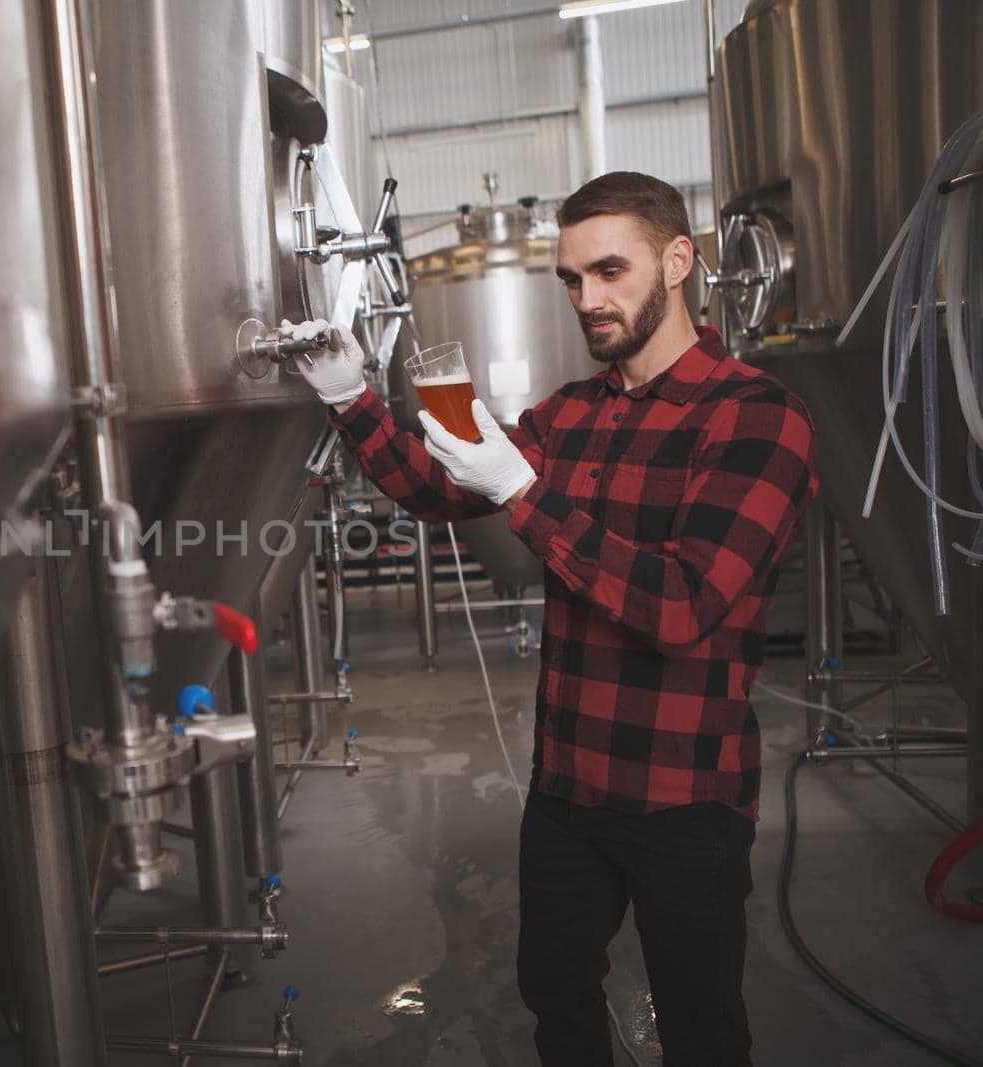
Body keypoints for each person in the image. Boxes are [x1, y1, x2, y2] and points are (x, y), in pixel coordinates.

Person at [282, 171, 816, 1067]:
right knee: (555, 989)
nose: (588, 300)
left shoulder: (758, 417)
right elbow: (437, 487)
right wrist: (350, 397)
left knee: (701, 1020)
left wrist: (525, 496)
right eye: (571, 279)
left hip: (685, 795)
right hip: (568, 788)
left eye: (610, 271)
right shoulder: (568, 414)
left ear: (678, 260)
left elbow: (681, 607)